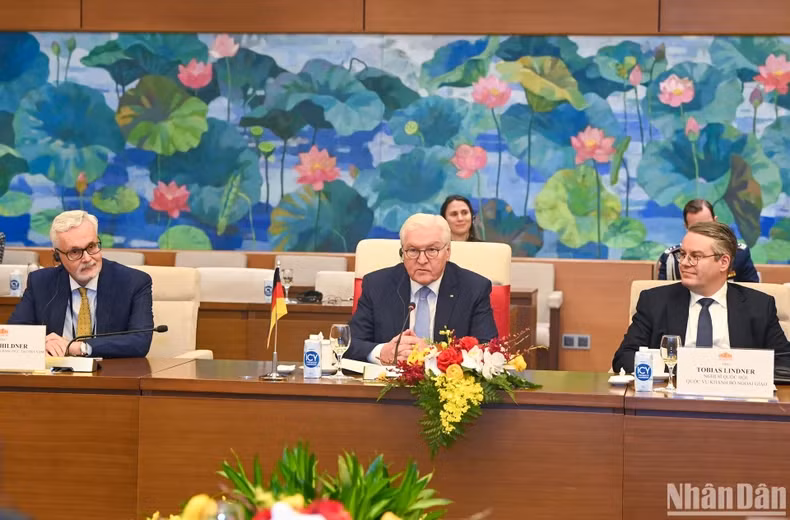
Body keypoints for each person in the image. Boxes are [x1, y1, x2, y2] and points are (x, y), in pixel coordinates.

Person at [613, 221, 790, 373]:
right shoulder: (655, 301)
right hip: (672, 401)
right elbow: (624, 358)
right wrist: (684, 370)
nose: (683, 263)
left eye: (695, 256)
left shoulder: (758, 305)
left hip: (737, 404)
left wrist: (732, 371)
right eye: (683, 255)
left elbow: (785, 362)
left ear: (723, 262)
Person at [347, 213, 498, 364]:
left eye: (432, 250)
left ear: (448, 252)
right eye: (413, 250)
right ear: (402, 253)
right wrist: (382, 352)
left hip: (448, 384)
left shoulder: (473, 288)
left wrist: (433, 353)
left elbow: (488, 350)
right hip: (388, 382)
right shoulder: (377, 285)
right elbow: (349, 343)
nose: (422, 260)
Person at [8, 210, 154, 358]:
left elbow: (140, 342)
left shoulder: (133, 282)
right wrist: (41, 343)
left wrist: (78, 347)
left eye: (91, 247)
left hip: (109, 375)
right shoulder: (40, 282)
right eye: (75, 252)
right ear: (57, 255)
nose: (87, 258)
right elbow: (14, 335)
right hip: (54, 375)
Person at [657, 199, 758, 282]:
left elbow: (753, 294)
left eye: (707, 225)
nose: (703, 232)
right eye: (695, 228)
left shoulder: (738, 254)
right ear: (686, 227)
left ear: (715, 221)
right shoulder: (672, 259)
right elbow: (662, 299)